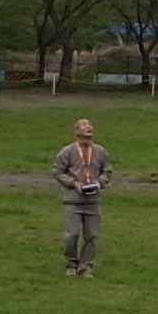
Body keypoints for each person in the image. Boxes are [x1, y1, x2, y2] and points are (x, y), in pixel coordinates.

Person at [51, 118, 112, 278]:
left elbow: (107, 171)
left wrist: (100, 183)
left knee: (91, 236)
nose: (89, 127)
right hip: (73, 200)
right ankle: (71, 264)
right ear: (76, 131)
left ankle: (86, 267)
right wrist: (73, 183)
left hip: (93, 201)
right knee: (72, 235)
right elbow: (57, 172)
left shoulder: (100, 151)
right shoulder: (67, 151)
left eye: (90, 124)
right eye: (84, 125)